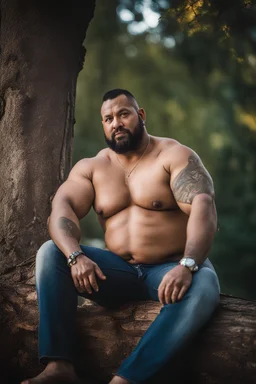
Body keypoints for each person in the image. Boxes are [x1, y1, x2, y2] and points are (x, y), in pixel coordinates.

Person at [22, 89, 220, 384]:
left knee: (205, 283)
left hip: (172, 267)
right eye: (108, 118)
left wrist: (188, 265)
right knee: (51, 252)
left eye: (123, 114)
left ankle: (127, 378)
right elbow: (61, 210)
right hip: (119, 272)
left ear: (140, 116)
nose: (116, 122)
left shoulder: (174, 155)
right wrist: (76, 257)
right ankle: (58, 367)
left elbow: (204, 208)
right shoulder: (92, 168)